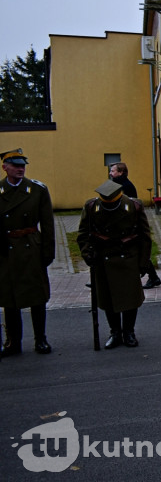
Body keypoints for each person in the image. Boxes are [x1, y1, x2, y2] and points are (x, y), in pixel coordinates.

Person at [77, 180, 151, 348]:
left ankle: (129, 332)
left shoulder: (134, 206)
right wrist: (87, 253)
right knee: (108, 298)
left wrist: (143, 262)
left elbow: (144, 235)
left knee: (130, 298)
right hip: (104, 258)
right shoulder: (92, 207)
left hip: (128, 257)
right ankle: (115, 332)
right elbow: (83, 233)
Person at [0, 149, 55, 356]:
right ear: (5, 167)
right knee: (10, 299)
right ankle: (13, 342)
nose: (20, 168)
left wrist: (48, 252)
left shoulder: (37, 189)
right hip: (6, 249)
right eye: (15, 165)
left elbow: (48, 224)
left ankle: (40, 339)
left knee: (36, 296)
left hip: (31, 247)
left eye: (23, 165)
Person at [110, 162, 161, 289]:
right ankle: (153, 277)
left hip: (129, 224)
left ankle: (153, 277)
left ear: (121, 172)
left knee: (137, 251)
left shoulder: (125, 186)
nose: (111, 173)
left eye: (113, 171)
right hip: (123, 223)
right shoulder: (117, 185)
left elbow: (130, 207)